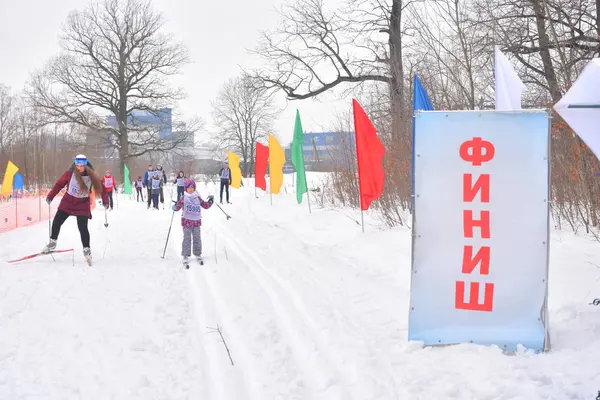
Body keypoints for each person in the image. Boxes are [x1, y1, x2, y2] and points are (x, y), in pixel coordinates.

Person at [42, 154, 108, 263]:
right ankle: (53, 242)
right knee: (57, 221)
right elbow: (59, 184)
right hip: (68, 202)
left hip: (82, 204)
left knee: (83, 228)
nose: (79, 168)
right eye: (77, 165)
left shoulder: (92, 175)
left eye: (81, 166)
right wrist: (50, 196)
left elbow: (102, 189)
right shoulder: (70, 173)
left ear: (85, 165)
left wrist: (105, 201)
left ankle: (86, 249)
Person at [172, 179, 213, 266]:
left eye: (192, 188)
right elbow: (178, 207)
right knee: (187, 239)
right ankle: (185, 255)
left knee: (197, 238)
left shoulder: (197, 198)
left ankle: (198, 254)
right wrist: (175, 207)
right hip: (186, 222)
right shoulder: (183, 198)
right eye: (189, 188)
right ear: (185, 189)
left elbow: (205, 205)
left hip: (196, 223)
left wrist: (210, 201)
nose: (191, 189)